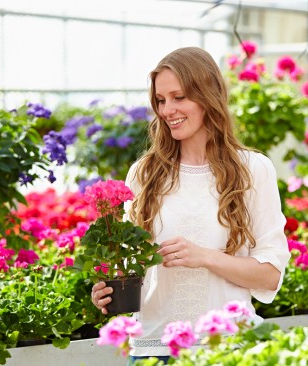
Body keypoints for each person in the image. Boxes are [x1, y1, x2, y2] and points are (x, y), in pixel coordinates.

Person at [91, 46, 290, 363]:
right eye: (160, 100)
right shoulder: (144, 174)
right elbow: (128, 265)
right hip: (155, 351)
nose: (167, 109)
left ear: (208, 95)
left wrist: (205, 257)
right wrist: (107, 289)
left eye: (179, 96)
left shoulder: (253, 170)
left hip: (226, 351)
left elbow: (270, 275)